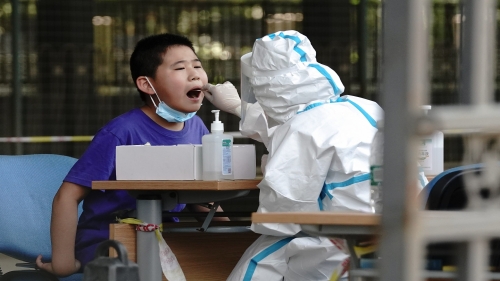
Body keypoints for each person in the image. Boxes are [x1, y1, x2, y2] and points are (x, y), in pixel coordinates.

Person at [204, 30, 426, 280]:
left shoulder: (301, 129)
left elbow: (282, 218)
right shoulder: (364, 107)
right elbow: (302, 128)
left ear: (266, 88)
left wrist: (270, 172)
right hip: (407, 234)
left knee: (259, 262)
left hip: (342, 245)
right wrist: (237, 107)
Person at [36, 33, 218, 277]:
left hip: (167, 241)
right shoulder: (120, 132)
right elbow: (66, 197)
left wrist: (228, 241)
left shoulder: (198, 128)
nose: (195, 73)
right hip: (110, 245)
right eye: (180, 68)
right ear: (146, 84)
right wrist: (64, 263)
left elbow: (200, 199)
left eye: (197, 65)